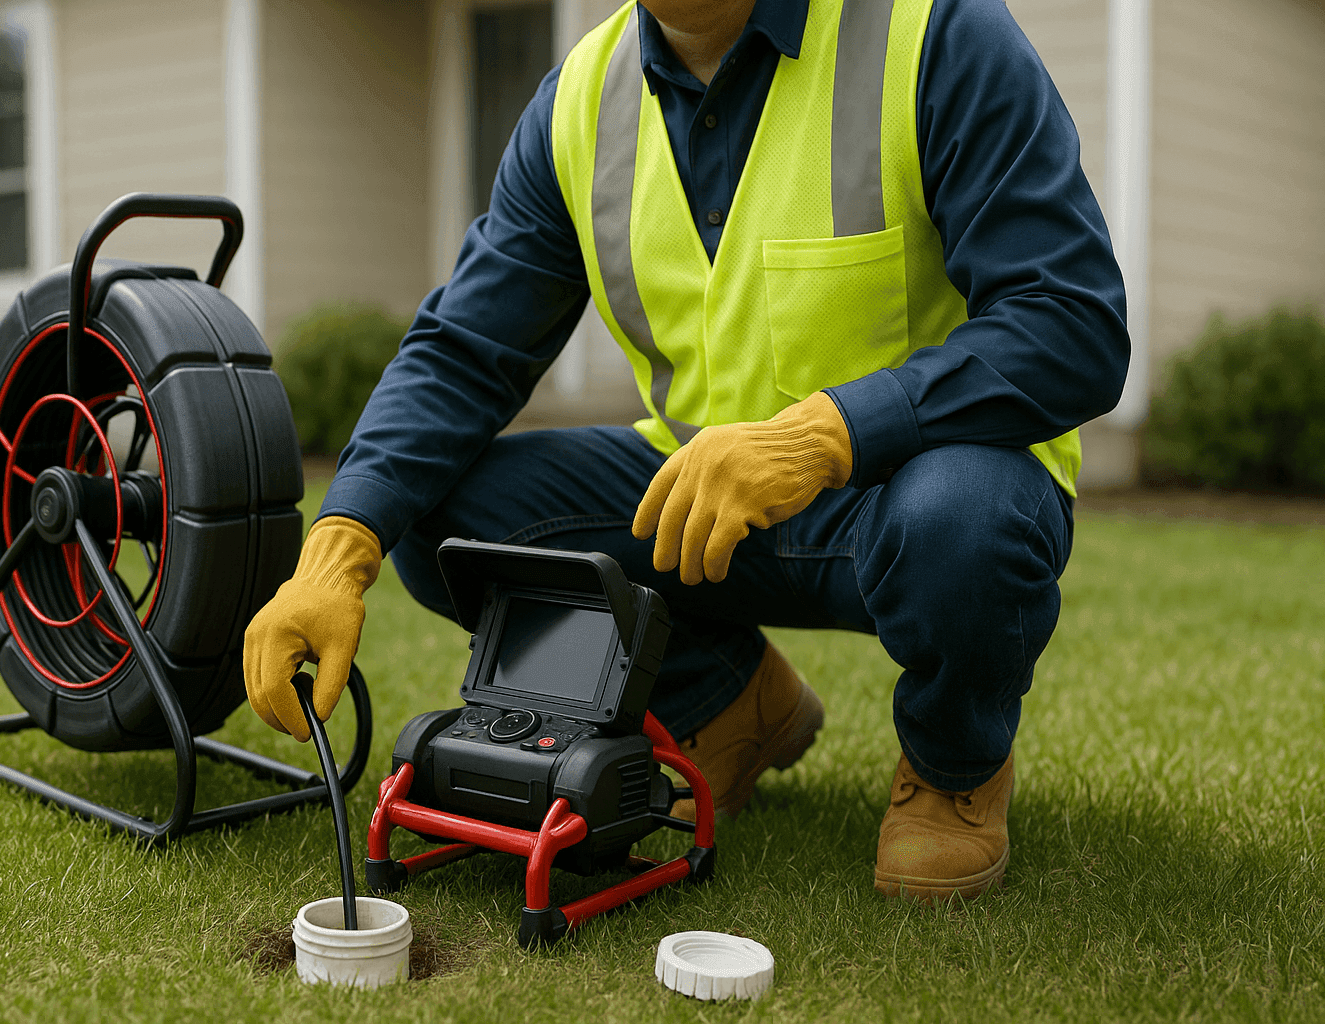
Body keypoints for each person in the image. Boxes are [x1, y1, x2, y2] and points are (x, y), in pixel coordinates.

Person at [244, 0, 1128, 903]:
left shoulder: (936, 34)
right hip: (697, 512)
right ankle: (725, 700)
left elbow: (1073, 322)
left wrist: (822, 434)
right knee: (440, 519)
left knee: (965, 523)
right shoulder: (580, 101)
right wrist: (337, 551)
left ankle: (955, 765)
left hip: (918, 496)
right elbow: (465, 350)